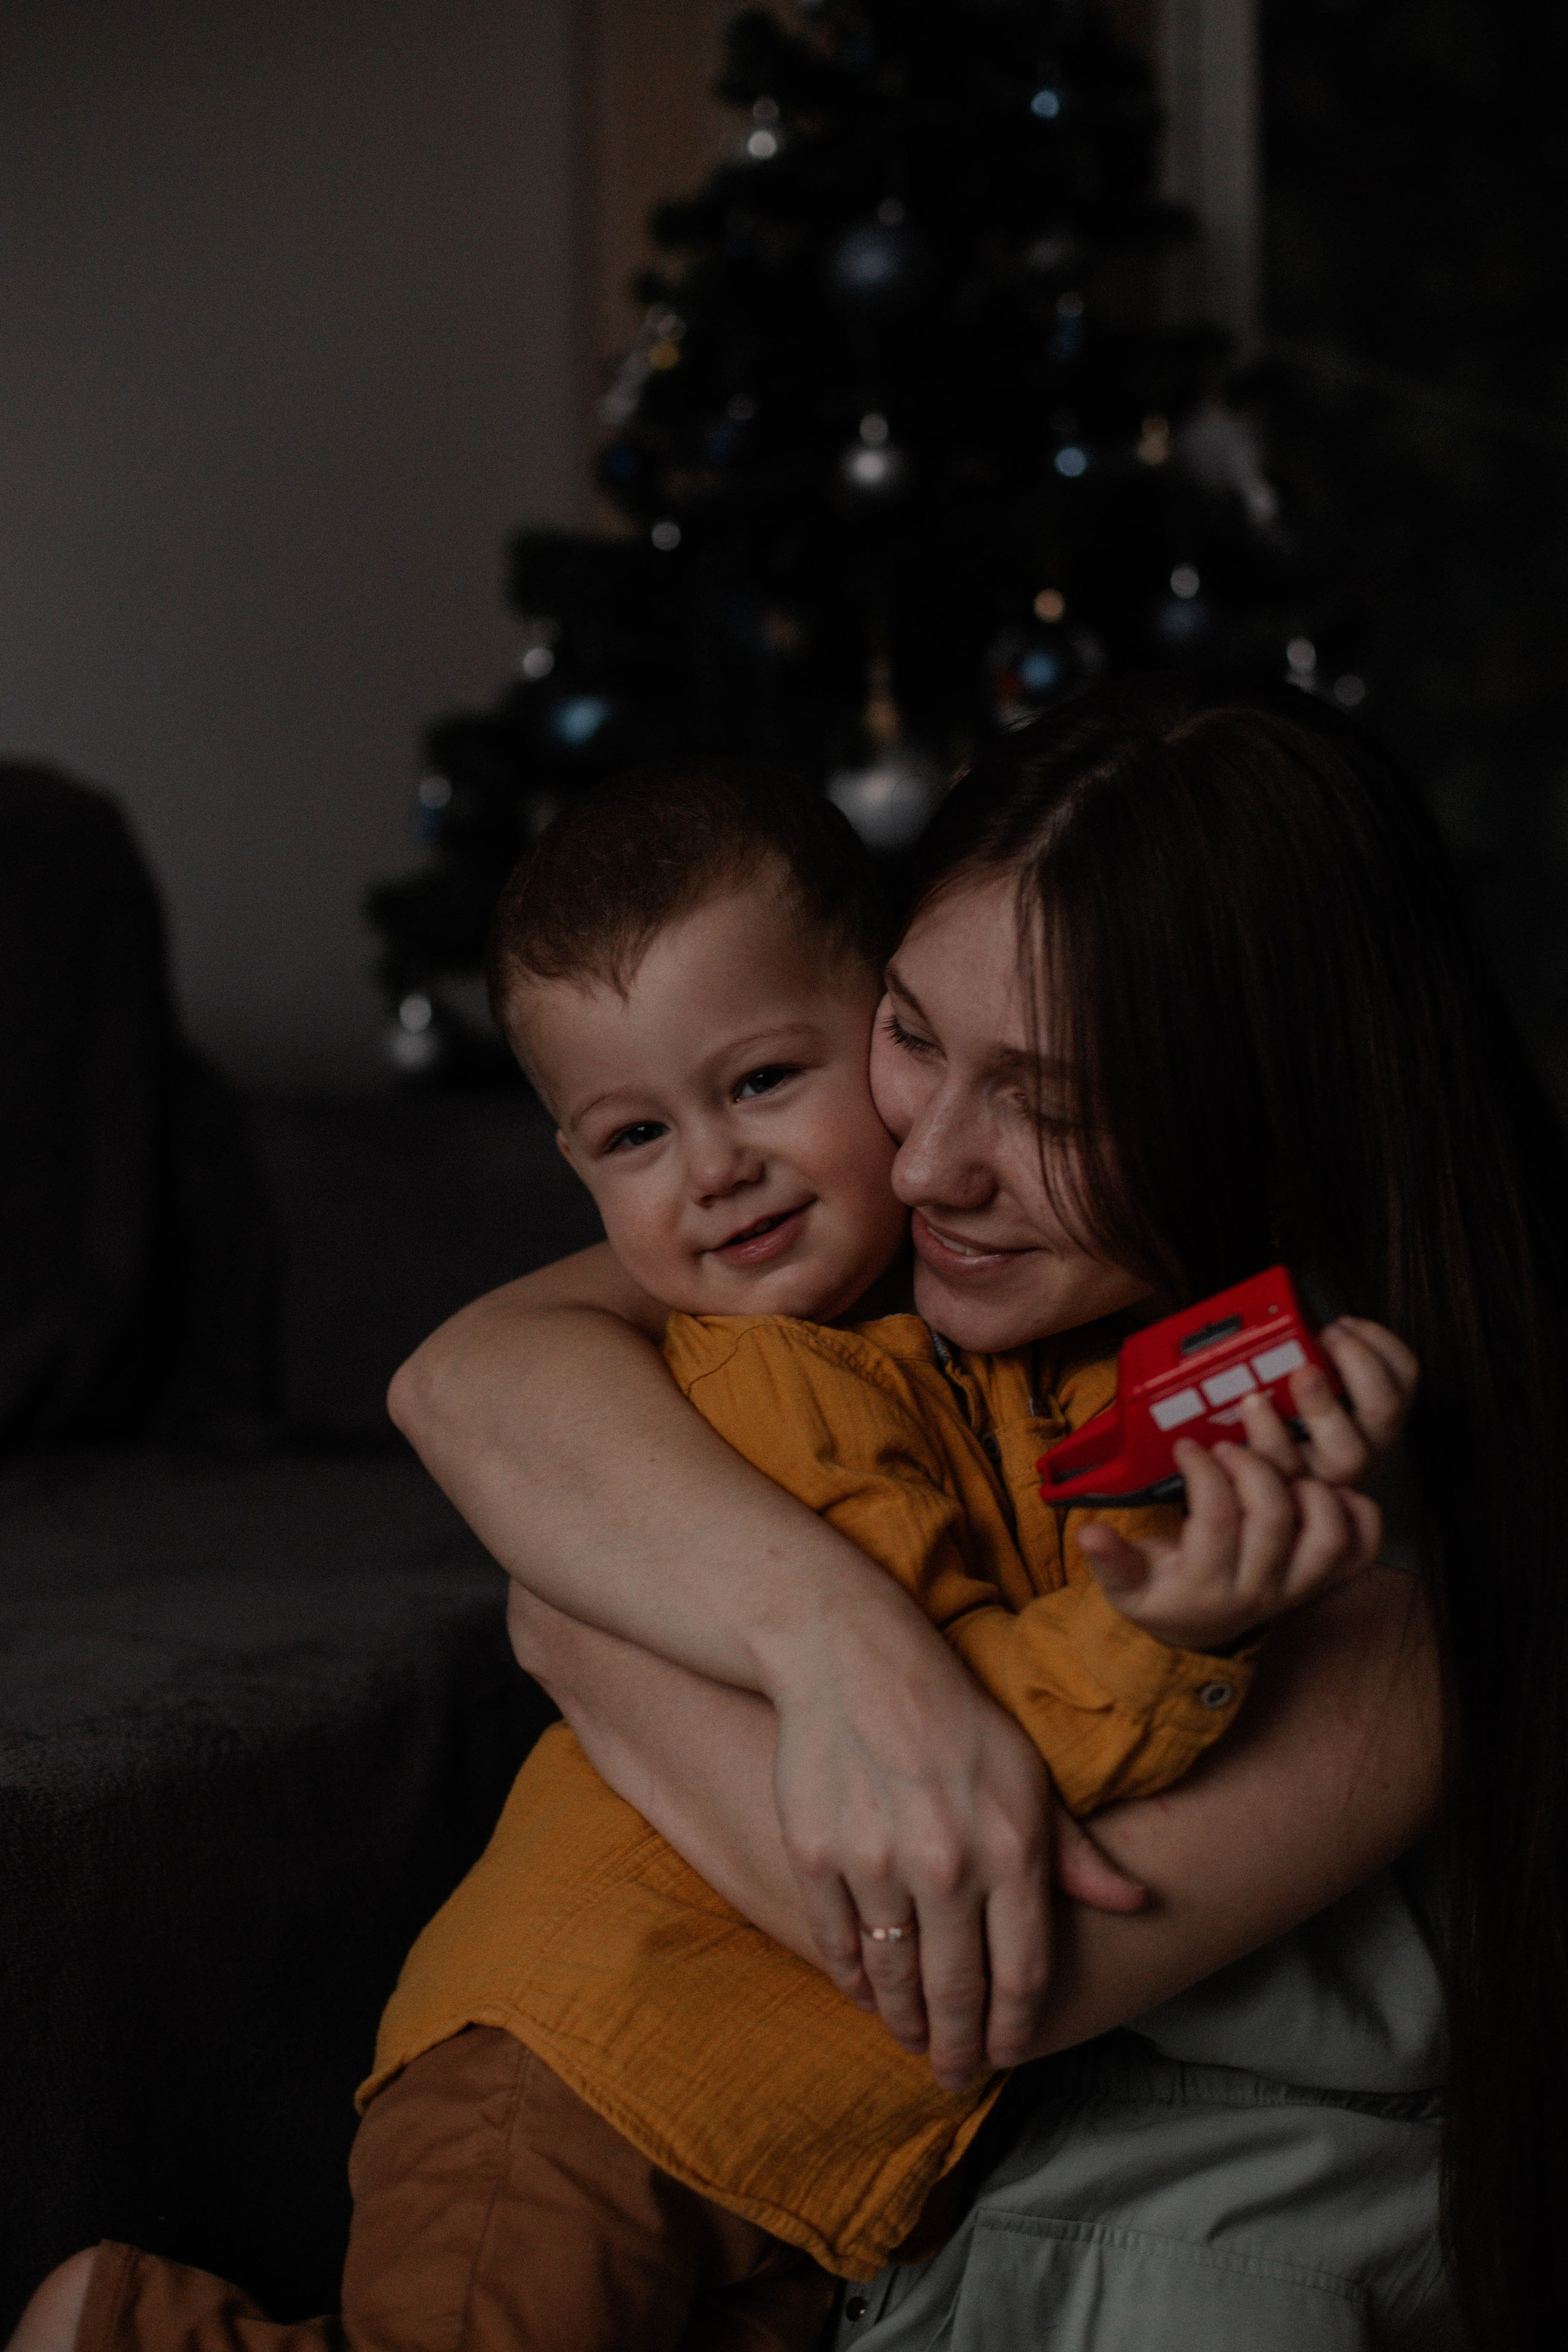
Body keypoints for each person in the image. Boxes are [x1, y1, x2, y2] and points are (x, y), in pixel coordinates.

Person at [7, 763, 1400, 2352]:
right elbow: (959, 1762)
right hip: (589, 2069)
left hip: (795, 2157)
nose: (716, 1170)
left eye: (760, 1085)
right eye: (633, 1136)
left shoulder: (1010, 1363)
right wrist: (1173, 1633)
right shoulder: (749, 1383)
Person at [375, 685, 1565, 2348]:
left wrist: (594, 1633)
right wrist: (846, 1649)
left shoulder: (1387, 1548)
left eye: (1052, 1106)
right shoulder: (871, 1254)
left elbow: (965, 1972)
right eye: (913, 1036)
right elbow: (473, 1379)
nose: (931, 1163)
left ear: (1271, 1115)